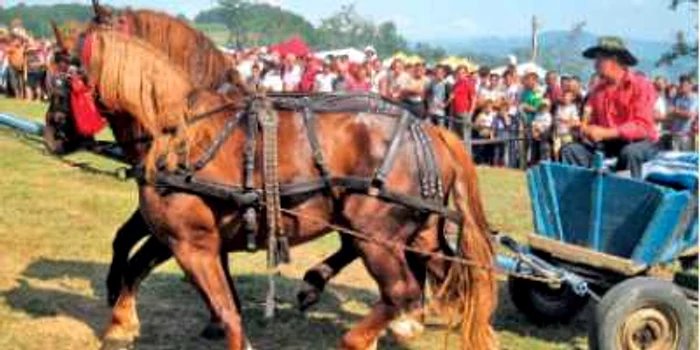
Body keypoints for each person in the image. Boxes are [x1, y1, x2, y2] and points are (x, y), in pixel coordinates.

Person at [560, 36, 659, 178]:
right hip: (609, 145)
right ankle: (582, 195)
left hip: (641, 143)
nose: (595, 65)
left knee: (630, 153)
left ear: (614, 60)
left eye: (599, 59)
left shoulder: (641, 85)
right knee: (570, 150)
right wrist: (582, 129)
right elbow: (593, 127)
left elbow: (642, 126)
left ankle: (628, 198)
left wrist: (605, 133)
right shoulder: (597, 91)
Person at [448, 65, 477, 148]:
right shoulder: (455, 84)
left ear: (466, 74)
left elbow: (473, 98)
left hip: (465, 113)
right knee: (456, 137)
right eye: (459, 73)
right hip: (455, 113)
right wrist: (451, 112)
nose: (460, 75)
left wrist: (470, 113)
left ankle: (467, 157)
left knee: (466, 137)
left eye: (463, 73)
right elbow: (452, 100)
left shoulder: (469, 83)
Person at [668, 75, 698, 151]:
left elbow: (689, 115)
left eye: (684, 85)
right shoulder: (676, 97)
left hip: (687, 135)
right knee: (674, 160)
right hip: (675, 134)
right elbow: (669, 112)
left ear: (690, 86)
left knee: (685, 160)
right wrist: (680, 113)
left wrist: (676, 111)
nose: (682, 87)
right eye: (681, 85)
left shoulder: (695, 98)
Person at [554, 90, 582, 157]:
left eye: (567, 96)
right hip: (557, 133)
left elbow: (576, 121)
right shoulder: (559, 107)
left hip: (567, 134)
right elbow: (556, 118)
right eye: (564, 96)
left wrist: (564, 120)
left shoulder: (573, 108)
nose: (565, 98)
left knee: (566, 152)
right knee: (556, 151)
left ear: (571, 98)